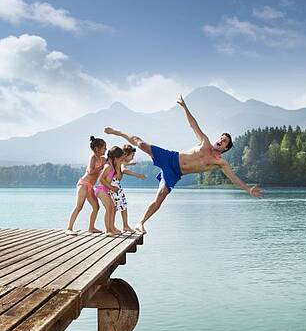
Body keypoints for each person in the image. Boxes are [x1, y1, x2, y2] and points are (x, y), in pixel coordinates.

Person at [105, 95, 263, 234]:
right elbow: (194, 125)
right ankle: (119, 132)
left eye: (224, 141)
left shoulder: (219, 162)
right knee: (141, 144)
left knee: (160, 197)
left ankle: (140, 222)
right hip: (171, 157)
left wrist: (248, 189)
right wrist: (185, 108)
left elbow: (233, 178)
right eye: (221, 138)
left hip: (175, 173)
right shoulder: (205, 142)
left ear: (226, 148)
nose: (221, 140)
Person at [65, 136, 107, 235]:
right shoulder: (93, 157)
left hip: (90, 186)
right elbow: (90, 171)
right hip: (83, 184)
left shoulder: (102, 159)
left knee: (96, 207)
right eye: (104, 148)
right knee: (79, 207)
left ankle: (91, 228)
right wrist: (101, 166)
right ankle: (69, 228)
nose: (106, 149)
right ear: (97, 149)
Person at [113, 145, 146, 233]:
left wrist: (130, 163)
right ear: (126, 154)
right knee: (123, 205)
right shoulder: (122, 162)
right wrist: (138, 175)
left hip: (113, 183)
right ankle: (125, 226)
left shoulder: (120, 160)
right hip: (115, 185)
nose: (133, 157)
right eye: (132, 155)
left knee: (115, 206)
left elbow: (123, 164)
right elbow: (124, 170)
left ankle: (112, 226)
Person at [94, 146, 125, 236]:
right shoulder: (108, 166)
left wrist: (119, 165)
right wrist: (111, 187)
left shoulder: (112, 166)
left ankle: (112, 228)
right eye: (120, 159)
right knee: (109, 209)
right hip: (101, 189)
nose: (120, 161)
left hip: (105, 189)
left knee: (112, 208)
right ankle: (108, 230)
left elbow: (118, 178)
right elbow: (101, 179)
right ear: (115, 158)